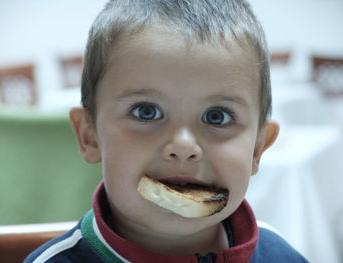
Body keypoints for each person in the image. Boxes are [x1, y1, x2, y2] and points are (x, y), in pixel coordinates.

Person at [25, 0, 309, 262]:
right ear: (90, 135)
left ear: (257, 149)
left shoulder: (282, 256)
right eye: (146, 112)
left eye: (217, 117)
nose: (184, 146)